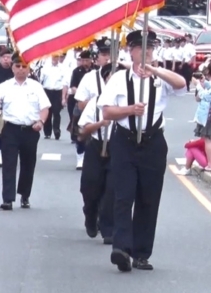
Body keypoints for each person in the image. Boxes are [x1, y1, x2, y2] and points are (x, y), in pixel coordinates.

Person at [98, 29, 186, 272]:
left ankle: (141, 253)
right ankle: (121, 249)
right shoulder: (119, 78)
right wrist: (129, 110)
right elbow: (106, 112)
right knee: (123, 195)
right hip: (125, 141)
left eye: (149, 47)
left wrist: (155, 69)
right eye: (140, 47)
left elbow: (181, 85)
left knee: (149, 198)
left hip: (153, 142)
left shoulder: (160, 78)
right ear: (131, 50)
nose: (145, 51)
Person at [0, 52, 50, 211]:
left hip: (30, 129)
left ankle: (25, 195)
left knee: (28, 164)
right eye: (18, 66)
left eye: (24, 67)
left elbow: (45, 107)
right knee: (9, 163)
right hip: (10, 128)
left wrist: (41, 121)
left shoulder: (36, 86)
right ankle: (8, 199)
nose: (21, 69)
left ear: (29, 68)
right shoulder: (5, 86)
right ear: (13, 68)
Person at [77, 63, 115, 244]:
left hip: (118, 148)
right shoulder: (97, 101)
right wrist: (101, 123)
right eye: (110, 78)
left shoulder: (129, 102)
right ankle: (90, 214)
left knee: (111, 190)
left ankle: (108, 228)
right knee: (90, 187)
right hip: (97, 146)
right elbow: (83, 130)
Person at [69, 50, 95, 168]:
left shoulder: (97, 71)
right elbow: (73, 86)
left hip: (95, 104)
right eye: (83, 60)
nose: (85, 62)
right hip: (81, 102)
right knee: (80, 133)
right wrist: (79, 94)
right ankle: (80, 155)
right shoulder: (77, 71)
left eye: (87, 60)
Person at [38, 54, 67, 140]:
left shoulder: (63, 68)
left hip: (57, 91)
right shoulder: (45, 68)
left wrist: (63, 97)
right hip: (47, 91)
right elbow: (41, 81)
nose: (55, 58)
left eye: (57, 57)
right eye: (54, 57)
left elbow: (64, 83)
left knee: (56, 112)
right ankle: (47, 132)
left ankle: (56, 130)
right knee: (48, 112)